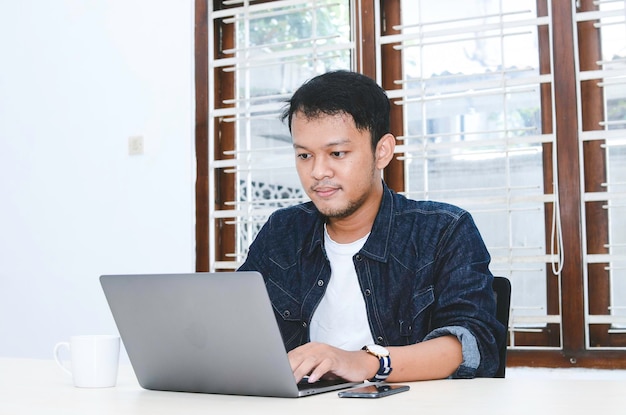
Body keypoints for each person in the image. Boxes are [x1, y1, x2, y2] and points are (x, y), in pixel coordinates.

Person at [238, 70, 505, 383]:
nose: (318, 171)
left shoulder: (443, 231)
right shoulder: (283, 231)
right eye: (304, 155)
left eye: (337, 153)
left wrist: (363, 362)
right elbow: (237, 327)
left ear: (382, 151)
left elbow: (470, 345)